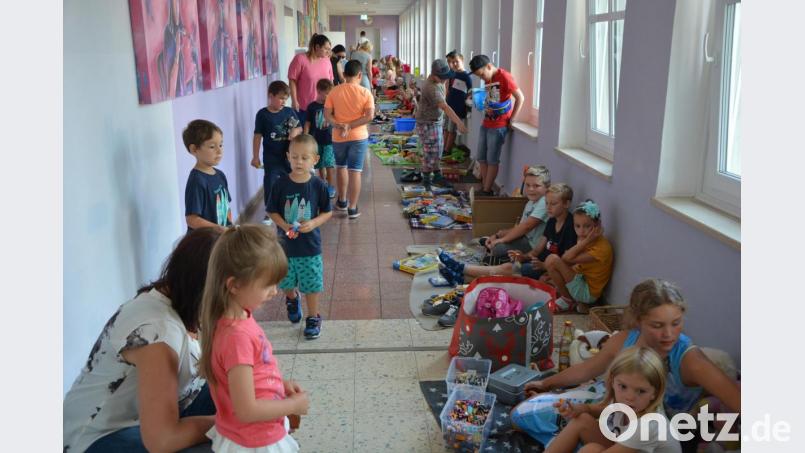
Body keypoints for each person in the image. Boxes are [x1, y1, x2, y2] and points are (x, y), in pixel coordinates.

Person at [513, 279, 741, 452]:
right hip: (620, 413)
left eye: (676, 323)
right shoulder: (625, 340)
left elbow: (738, 399)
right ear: (639, 320)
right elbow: (589, 369)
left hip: (652, 434)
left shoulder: (690, 362)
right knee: (520, 415)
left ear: (656, 391)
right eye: (657, 325)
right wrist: (546, 383)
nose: (669, 334)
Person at [64, 228, 223, 453]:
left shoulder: (177, 300)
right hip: (98, 437)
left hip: (160, 412)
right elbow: (163, 441)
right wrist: (223, 424)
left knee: (243, 404)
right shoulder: (158, 333)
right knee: (228, 442)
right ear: (206, 288)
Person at [198, 225, 309, 452]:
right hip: (254, 441)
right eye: (268, 284)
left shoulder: (238, 319)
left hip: (252, 435)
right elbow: (246, 410)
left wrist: (278, 386)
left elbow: (251, 375)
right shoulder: (236, 337)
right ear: (234, 285)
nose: (275, 291)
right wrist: (291, 405)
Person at [541, 347, 682, 453]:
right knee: (582, 420)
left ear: (655, 393)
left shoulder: (649, 425)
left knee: (591, 450)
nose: (629, 397)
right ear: (613, 381)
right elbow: (600, 410)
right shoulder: (626, 402)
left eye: (641, 391)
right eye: (623, 386)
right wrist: (579, 409)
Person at [437, 183, 576, 285]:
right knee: (508, 272)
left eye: (553, 204)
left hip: (546, 269)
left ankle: (462, 268)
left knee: (508, 270)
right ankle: (462, 278)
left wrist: (545, 268)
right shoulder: (552, 222)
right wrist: (523, 256)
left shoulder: (570, 226)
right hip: (537, 264)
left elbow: (565, 262)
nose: (548, 208)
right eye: (547, 203)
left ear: (566, 204)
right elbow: (537, 250)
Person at [267, 135, 333, 339]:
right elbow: (271, 211)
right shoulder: (280, 184)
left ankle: (313, 317)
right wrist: (284, 225)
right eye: (294, 157)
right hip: (285, 247)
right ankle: (292, 299)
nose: (299, 162)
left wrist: (313, 223)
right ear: (288, 157)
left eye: (305, 158)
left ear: (315, 159)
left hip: (310, 247)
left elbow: (327, 211)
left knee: (311, 283)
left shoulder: (318, 185)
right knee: (286, 282)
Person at [324, 59, 375, 219]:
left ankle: (342, 201)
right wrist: (351, 125)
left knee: (341, 167)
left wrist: (339, 124)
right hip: (359, 137)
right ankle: (352, 208)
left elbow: (327, 114)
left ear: (344, 74)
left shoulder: (334, 91)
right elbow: (369, 116)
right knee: (355, 171)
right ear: (360, 75)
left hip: (338, 137)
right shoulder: (365, 92)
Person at [468, 54, 525, 195]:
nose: (482, 79)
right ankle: (484, 186)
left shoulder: (504, 76)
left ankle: (487, 190)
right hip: (487, 122)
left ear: (488, 66)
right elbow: (494, 99)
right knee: (481, 157)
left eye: (481, 75)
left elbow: (520, 97)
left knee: (492, 159)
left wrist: (512, 119)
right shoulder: (490, 79)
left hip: (499, 125)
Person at [543, 199, 613, 313]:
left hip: (588, 292)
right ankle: (577, 303)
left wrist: (584, 242)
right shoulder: (584, 239)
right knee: (547, 276)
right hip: (580, 278)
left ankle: (568, 300)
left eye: (587, 226)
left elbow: (566, 258)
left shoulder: (601, 248)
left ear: (597, 225)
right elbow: (568, 262)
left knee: (552, 260)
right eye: (577, 226)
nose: (581, 231)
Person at [252, 80, 303, 222]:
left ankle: (294, 206)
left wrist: (295, 131)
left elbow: (299, 127)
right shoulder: (262, 115)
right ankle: (270, 211)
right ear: (270, 96)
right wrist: (255, 156)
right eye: (280, 98)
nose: (283, 102)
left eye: (285, 99)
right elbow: (257, 136)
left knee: (292, 180)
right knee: (270, 183)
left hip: (288, 157)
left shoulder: (288, 112)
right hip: (271, 157)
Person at [413, 59, 468, 188]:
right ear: (433, 75)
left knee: (437, 151)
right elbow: (445, 107)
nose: (444, 80)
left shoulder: (436, 80)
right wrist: (459, 122)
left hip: (434, 122)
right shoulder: (431, 88)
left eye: (446, 77)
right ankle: (426, 180)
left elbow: (444, 93)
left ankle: (437, 176)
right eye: (442, 78)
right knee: (430, 152)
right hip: (427, 123)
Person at [482, 166, 551, 263]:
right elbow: (519, 227)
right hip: (524, 238)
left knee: (498, 248)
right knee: (493, 241)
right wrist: (497, 235)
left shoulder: (544, 202)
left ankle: (506, 260)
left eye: (536, 186)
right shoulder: (531, 202)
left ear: (547, 187)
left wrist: (502, 240)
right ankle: (499, 255)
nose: (531, 189)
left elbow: (527, 227)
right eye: (527, 185)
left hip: (532, 246)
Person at [183, 119, 233, 232]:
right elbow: (192, 219)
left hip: (220, 239)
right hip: (204, 244)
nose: (219, 151)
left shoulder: (220, 175)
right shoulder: (197, 181)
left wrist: (230, 227)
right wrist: (218, 229)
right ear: (194, 149)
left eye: (221, 145)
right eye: (212, 146)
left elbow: (227, 207)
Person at [288, 34, 333, 125]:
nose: (328, 52)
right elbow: (292, 80)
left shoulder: (327, 60)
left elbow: (330, 82)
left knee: (321, 136)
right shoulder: (300, 59)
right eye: (326, 48)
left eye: (329, 49)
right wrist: (294, 100)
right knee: (305, 136)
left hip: (323, 107)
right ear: (317, 47)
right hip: (304, 107)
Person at [305, 78, 337, 199]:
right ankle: (322, 184)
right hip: (315, 140)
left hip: (329, 140)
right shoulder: (311, 107)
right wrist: (306, 136)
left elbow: (336, 120)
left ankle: (331, 186)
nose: (329, 96)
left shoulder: (331, 106)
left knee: (329, 163)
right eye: (327, 93)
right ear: (319, 91)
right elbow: (307, 123)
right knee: (319, 164)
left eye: (330, 93)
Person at [444, 50, 473, 153]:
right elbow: (449, 89)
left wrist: (468, 103)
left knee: (451, 129)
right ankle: (443, 147)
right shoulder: (453, 74)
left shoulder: (467, 76)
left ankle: (447, 150)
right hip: (448, 106)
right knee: (445, 128)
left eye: (456, 61)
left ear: (462, 60)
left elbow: (471, 92)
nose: (454, 64)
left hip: (457, 108)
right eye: (451, 62)